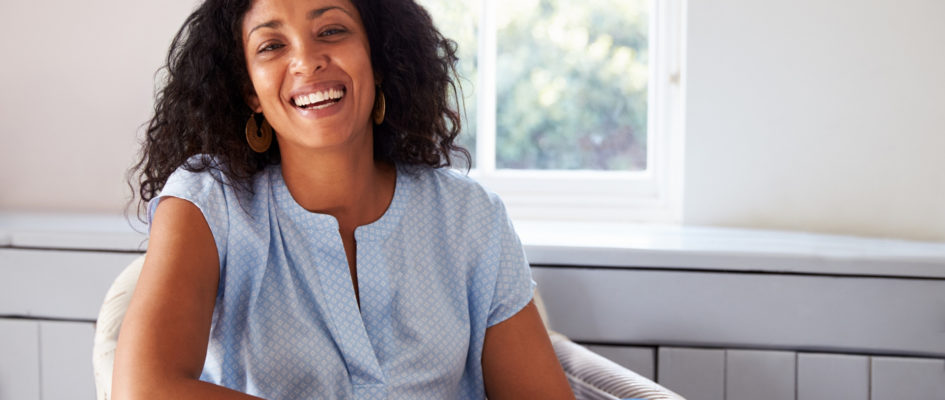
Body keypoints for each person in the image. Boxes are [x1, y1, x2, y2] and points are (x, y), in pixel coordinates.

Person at [113, 0, 574, 398]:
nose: (307, 60)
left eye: (331, 30)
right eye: (272, 45)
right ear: (250, 91)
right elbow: (144, 391)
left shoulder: (470, 217)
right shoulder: (208, 203)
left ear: (379, 55)